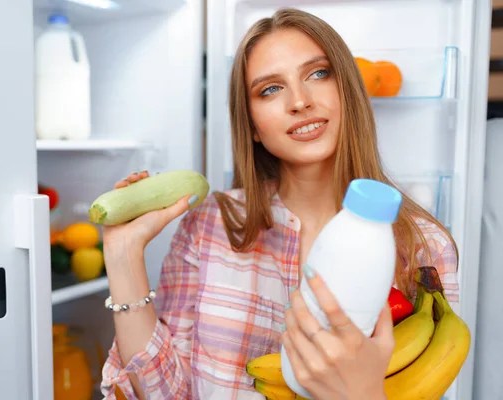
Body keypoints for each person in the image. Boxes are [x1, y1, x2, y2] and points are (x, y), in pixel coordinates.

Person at [99, 7, 459, 400]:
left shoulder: (423, 245)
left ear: (348, 90)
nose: (300, 101)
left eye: (318, 73)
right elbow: (164, 394)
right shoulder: (210, 226)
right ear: (252, 125)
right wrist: (123, 255)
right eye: (270, 89)